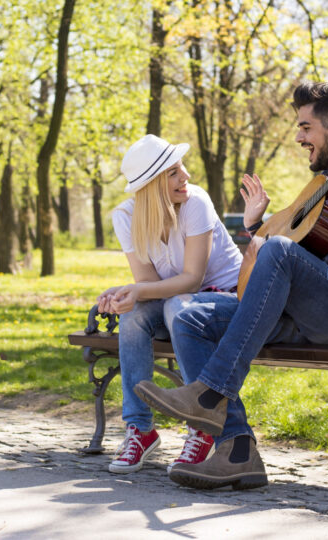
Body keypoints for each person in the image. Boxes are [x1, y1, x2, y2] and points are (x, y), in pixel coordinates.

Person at [134, 81, 328, 489]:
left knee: (278, 251)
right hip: (313, 316)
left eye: (305, 127)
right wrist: (255, 229)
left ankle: (208, 395)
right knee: (192, 317)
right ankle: (237, 449)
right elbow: (295, 249)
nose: (299, 138)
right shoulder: (322, 184)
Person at [98, 134, 243, 474]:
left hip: (225, 300)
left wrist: (136, 288)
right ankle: (140, 429)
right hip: (177, 303)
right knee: (134, 312)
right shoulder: (126, 217)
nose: (187, 177)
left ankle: (202, 425)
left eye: (182, 169)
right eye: (175, 172)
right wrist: (126, 294)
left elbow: (192, 278)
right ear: (152, 184)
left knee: (178, 305)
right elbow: (147, 284)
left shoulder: (196, 203)